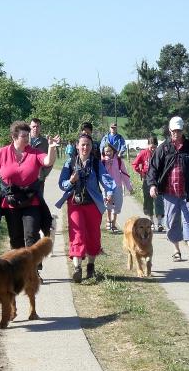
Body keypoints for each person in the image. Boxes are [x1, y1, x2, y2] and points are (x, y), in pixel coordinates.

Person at [0, 121, 60, 251]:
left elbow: (48, 161)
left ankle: (33, 268)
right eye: (23, 136)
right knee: (15, 238)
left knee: (31, 235)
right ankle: (18, 269)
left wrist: (52, 147)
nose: (27, 139)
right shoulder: (2, 153)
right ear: (14, 137)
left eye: (27, 135)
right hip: (10, 202)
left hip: (31, 201)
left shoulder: (34, 153)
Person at [146, 116, 189, 264]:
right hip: (170, 193)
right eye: (174, 130)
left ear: (182, 130)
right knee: (172, 221)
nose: (176, 133)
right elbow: (153, 168)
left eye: (179, 130)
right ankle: (176, 251)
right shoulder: (164, 148)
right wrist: (153, 185)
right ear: (170, 130)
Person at [56, 133, 116, 283]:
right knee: (77, 234)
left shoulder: (96, 163)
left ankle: (90, 266)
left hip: (93, 205)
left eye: (88, 145)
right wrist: (71, 181)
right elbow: (62, 184)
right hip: (75, 204)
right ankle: (77, 268)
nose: (85, 147)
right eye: (82, 144)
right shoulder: (69, 163)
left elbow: (106, 179)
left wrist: (109, 193)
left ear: (91, 147)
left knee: (93, 236)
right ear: (77, 146)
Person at [132, 136, 165, 232]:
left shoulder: (160, 152)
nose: (153, 149)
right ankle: (151, 222)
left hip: (158, 180)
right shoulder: (143, 153)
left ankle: (159, 223)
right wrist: (141, 172)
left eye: (155, 147)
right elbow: (135, 164)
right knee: (148, 201)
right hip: (147, 180)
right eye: (151, 147)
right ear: (148, 146)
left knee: (159, 200)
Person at [101, 143, 133, 232]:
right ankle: (108, 220)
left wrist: (129, 187)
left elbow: (124, 174)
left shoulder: (119, 161)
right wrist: (106, 163)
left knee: (118, 206)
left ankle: (114, 222)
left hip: (118, 186)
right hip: (107, 187)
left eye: (110, 151)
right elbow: (101, 175)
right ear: (103, 152)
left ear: (113, 151)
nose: (108, 153)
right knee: (108, 204)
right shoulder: (102, 162)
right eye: (106, 151)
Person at [29, 118, 53, 197]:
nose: (35, 128)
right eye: (33, 126)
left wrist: (43, 173)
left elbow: (50, 159)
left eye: (37, 126)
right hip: (23, 177)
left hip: (38, 178)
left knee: (38, 201)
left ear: (40, 128)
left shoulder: (45, 142)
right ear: (30, 127)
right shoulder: (23, 140)